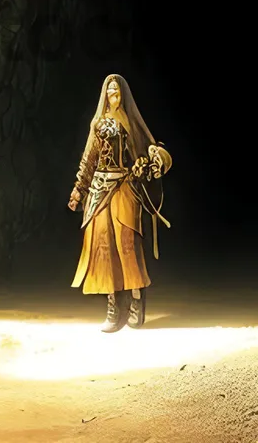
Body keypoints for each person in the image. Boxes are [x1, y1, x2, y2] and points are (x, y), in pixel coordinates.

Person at [68, 74, 172, 331]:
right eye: (109, 88)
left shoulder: (130, 122)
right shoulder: (98, 123)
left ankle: (136, 298)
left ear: (123, 93)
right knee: (102, 245)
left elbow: (149, 151)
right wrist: (79, 189)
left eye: (117, 88)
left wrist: (147, 163)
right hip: (99, 190)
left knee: (127, 243)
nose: (113, 92)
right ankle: (114, 305)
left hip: (124, 187)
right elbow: (89, 158)